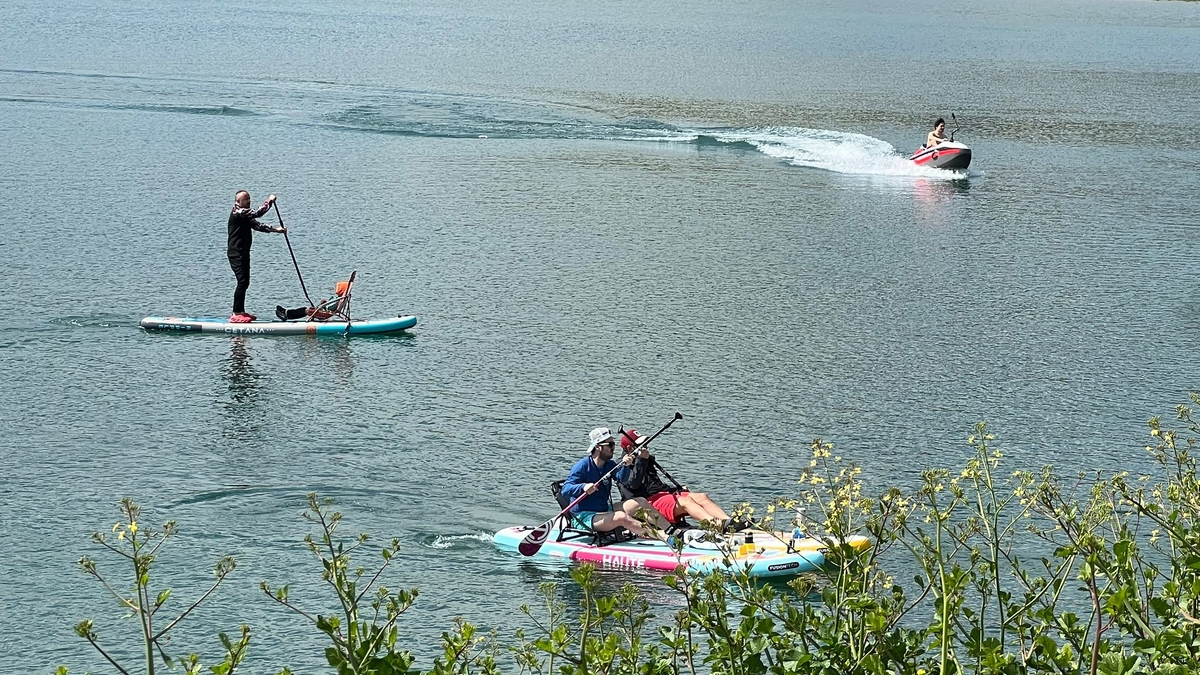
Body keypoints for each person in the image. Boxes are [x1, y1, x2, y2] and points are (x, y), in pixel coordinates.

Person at [561, 427, 675, 539]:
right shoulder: (583, 465)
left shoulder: (609, 465)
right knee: (621, 517)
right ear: (597, 447)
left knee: (640, 501)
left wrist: (626, 465)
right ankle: (664, 537)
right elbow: (565, 489)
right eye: (610, 445)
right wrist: (583, 487)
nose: (613, 448)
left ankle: (673, 530)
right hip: (584, 517)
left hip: (604, 510)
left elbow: (624, 480)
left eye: (614, 444)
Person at [617, 429, 741, 531]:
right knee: (686, 502)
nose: (645, 447)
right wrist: (641, 461)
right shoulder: (622, 465)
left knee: (702, 497)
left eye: (645, 444)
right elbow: (633, 485)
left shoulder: (644, 458)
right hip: (647, 502)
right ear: (629, 448)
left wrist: (675, 490)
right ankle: (716, 525)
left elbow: (655, 485)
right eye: (641, 445)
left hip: (661, 495)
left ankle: (728, 522)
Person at [227, 190, 285, 323]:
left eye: (249, 198)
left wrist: (276, 230)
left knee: (245, 282)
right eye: (245, 199)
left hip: (243, 252)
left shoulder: (245, 215)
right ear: (238, 202)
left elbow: (257, 225)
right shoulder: (238, 212)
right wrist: (269, 201)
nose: (248, 201)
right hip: (236, 253)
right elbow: (258, 213)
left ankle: (241, 311)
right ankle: (236, 314)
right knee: (242, 282)